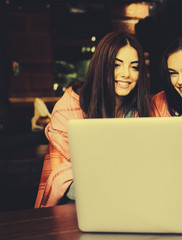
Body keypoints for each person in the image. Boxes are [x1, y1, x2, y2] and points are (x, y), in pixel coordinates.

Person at [35, 31, 150, 208]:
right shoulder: (68, 109)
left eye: (134, 67)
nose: (126, 73)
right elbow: (66, 184)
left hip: (126, 205)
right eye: (116, 65)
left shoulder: (138, 111)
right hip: (73, 208)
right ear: (101, 66)